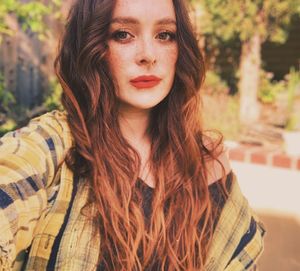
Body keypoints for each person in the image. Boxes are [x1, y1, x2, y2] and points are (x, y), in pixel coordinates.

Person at [0, 0, 265, 270]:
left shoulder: (206, 164)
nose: (148, 55)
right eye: (123, 34)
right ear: (92, 46)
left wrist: (211, 188)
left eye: (164, 35)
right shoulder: (53, 146)